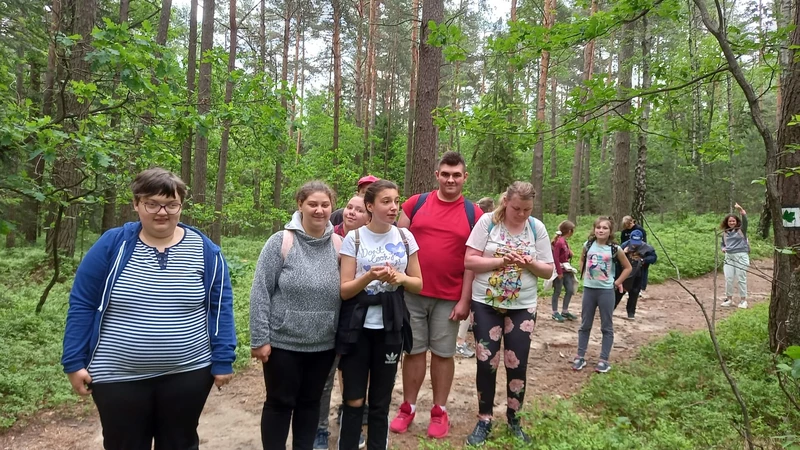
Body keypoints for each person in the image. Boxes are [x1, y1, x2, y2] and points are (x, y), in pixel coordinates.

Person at [61, 167, 236, 450]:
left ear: (181, 206)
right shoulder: (112, 245)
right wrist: (73, 360)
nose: (162, 212)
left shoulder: (206, 251)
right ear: (136, 204)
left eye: (171, 204)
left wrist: (224, 358)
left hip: (188, 373)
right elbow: (83, 302)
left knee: (180, 443)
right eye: (151, 203)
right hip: (117, 376)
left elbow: (220, 307)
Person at [390, 151, 482, 439]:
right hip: (412, 292)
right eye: (445, 174)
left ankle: (439, 411)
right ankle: (408, 407)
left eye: (456, 175)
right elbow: (395, 242)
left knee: (443, 355)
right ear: (437, 175)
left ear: (465, 177)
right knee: (414, 351)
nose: (450, 179)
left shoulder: (474, 213)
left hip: (449, 297)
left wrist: (465, 299)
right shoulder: (415, 204)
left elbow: (473, 259)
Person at [250, 181, 342, 450]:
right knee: (279, 403)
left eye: (325, 205)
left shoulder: (339, 245)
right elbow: (260, 291)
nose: (319, 210)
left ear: (331, 207)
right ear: (300, 204)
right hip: (282, 343)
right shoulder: (281, 241)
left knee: (310, 403)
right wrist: (259, 339)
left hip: (323, 344)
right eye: (312, 204)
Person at [463, 182, 554, 445]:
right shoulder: (488, 224)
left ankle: (514, 418)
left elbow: (548, 270)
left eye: (527, 209)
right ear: (506, 202)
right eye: (516, 208)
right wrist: (501, 261)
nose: (522, 214)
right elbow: (470, 260)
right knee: (486, 361)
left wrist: (530, 263)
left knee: (517, 362)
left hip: (522, 306)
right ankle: (484, 419)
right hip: (485, 303)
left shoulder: (536, 228)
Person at [337, 180, 423, 450]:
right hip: (357, 328)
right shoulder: (355, 238)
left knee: (381, 400)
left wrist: (399, 277)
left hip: (390, 326)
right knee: (353, 398)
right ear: (370, 206)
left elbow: (418, 283)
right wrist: (369, 276)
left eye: (396, 201)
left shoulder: (406, 237)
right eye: (386, 202)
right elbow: (345, 291)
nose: (394, 208)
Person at [316, 194, 370, 450]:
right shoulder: (329, 239)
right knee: (325, 377)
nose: (351, 213)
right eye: (349, 207)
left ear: (369, 216)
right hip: (326, 317)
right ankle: (319, 429)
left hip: (355, 319)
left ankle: (354, 425)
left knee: (354, 376)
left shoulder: (372, 244)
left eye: (358, 210)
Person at [572, 216, 631, 374]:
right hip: (589, 290)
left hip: (606, 291)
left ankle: (604, 360)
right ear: (594, 229)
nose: (601, 230)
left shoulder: (615, 249)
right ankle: (580, 356)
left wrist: (617, 282)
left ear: (610, 231)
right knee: (585, 324)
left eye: (605, 228)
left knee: (606, 326)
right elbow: (582, 258)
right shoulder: (588, 245)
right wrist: (583, 273)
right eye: (598, 227)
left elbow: (627, 268)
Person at [455, 197, 495, 358]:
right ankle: (459, 342)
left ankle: (459, 339)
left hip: (467, 269)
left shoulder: (473, 218)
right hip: (471, 271)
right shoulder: (482, 223)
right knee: (466, 301)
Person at [615, 229, 657, 320]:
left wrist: (644, 260)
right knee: (619, 292)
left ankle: (631, 313)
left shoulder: (648, 248)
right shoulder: (624, 245)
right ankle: (609, 309)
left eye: (637, 242)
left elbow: (654, 258)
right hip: (625, 274)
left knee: (634, 293)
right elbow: (615, 258)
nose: (635, 244)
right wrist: (623, 252)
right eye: (633, 241)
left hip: (638, 275)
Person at [720, 203, 750, 309]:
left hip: (741, 256)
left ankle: (743, 300)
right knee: (729, 278)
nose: (732, 222)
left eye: (733, 221)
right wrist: (723, 249)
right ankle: (729, 299)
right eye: (730, 221)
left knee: (741, 278)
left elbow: (745, 221)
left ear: (737, 222)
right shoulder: (725, 233)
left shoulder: (741, 230)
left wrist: (741, 210)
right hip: (729, 257)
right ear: (727, 223)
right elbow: (723, 244)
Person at [551, 220, 578, 323]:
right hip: (560, 270)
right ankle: (554, 312)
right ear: (569, 231)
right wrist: (559, 272)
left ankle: (565, 310)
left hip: (567, 270)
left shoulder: (564, 241)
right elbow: (556, 258)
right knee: (557, 291)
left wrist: (569, 253)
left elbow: (564, 255)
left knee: (570, 289)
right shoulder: (559, 242)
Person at [620, 215, 650, 295]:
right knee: (629, 270)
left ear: (631, 222)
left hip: (638, 252)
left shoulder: (640, 230)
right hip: (628, 253)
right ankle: (627, 287)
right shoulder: (624, 232)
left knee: (640, 270)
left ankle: (640, 288)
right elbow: (622, 243)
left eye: (628, 225)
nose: (627, 227)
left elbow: (644, 243)